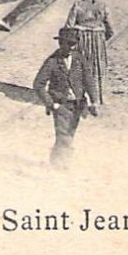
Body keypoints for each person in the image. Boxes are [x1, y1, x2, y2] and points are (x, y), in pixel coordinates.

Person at [33, 28, 94, 168]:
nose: (71, 47)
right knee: (63, 135)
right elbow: (38, 84)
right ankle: (60, 166)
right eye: (68, 44)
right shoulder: (52, 61)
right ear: (61, 43)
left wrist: (94, 100)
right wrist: (51, 104)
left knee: (70, 134)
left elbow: (88, 79)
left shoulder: (79, 59)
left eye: (74, 44)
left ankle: (57, 162)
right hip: (61, 105)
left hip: (78, 105)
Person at [64, 0, 113, 107]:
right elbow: (109, 28)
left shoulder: (77, 5)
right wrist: (102, 39)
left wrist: (70, 40)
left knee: (80, 67)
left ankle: (80, 96)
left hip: (81, 39)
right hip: (97, 39)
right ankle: (97, 99)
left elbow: (69, 26)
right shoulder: (102, 6)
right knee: (97, 67)